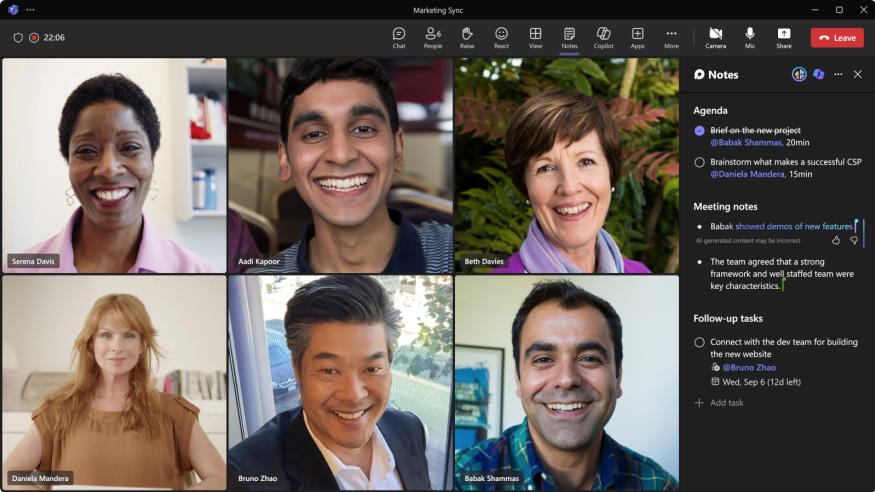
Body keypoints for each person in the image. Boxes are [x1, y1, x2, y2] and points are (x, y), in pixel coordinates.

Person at [455, 280, 676, 490]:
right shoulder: (460, 478)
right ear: (518, 379)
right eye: (543, 359)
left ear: (618, 376)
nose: (567, 379)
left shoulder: (657, 484)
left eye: (589, 358)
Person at [245, 58, 452, 274]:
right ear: (284, 159)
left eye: (363, 129)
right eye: (314, 134)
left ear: (398, 148)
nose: (341, 155)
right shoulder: (261, 276)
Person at [1, 294, 226, 489]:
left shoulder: (175, 413)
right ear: (91, 344)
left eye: (129, 335)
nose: (117, 346)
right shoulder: (57, 411)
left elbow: (220, 478)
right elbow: (9, 474)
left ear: (143, 345)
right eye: (106, 335)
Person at [228, 276, 431, 490]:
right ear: (297, 370)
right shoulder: (245, 475)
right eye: (329, 371)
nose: (354, 395)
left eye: (372, 369)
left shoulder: (410, 429)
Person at [3, 73, 215, 273]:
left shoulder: (200, 272)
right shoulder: (17, 269)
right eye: (87, 151)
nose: (109, 169)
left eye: (130, 147)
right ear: (69, 162)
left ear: (152, 159)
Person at [491, 90, 650, 274]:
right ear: (525, 186)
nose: (569, 187)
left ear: (610, 172)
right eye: (546, 168)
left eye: (586, 162)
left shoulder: (642, 274)